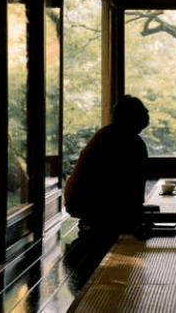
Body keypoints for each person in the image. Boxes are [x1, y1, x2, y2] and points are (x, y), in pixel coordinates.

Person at [64, 95, 150, 243]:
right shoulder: (129, 142)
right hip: (90, 204)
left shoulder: (105, 134)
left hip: (79, 200)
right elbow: (132, 188)